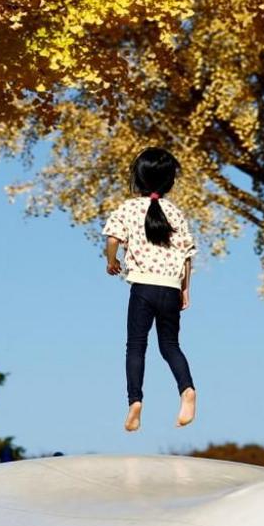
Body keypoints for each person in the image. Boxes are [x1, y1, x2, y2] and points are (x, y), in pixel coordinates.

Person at [102, 146, 198, 433]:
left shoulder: (128, 208)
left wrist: (112, 261)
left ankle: (135, 402)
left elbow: (112, 240)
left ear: (138, 178)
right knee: (170, 346)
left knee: (136, 346)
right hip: (170, 288)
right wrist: (185, 290)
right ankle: (187, 390)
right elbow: (187, 256)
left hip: (142, 288)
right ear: (170, 181)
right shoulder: (175, 213)